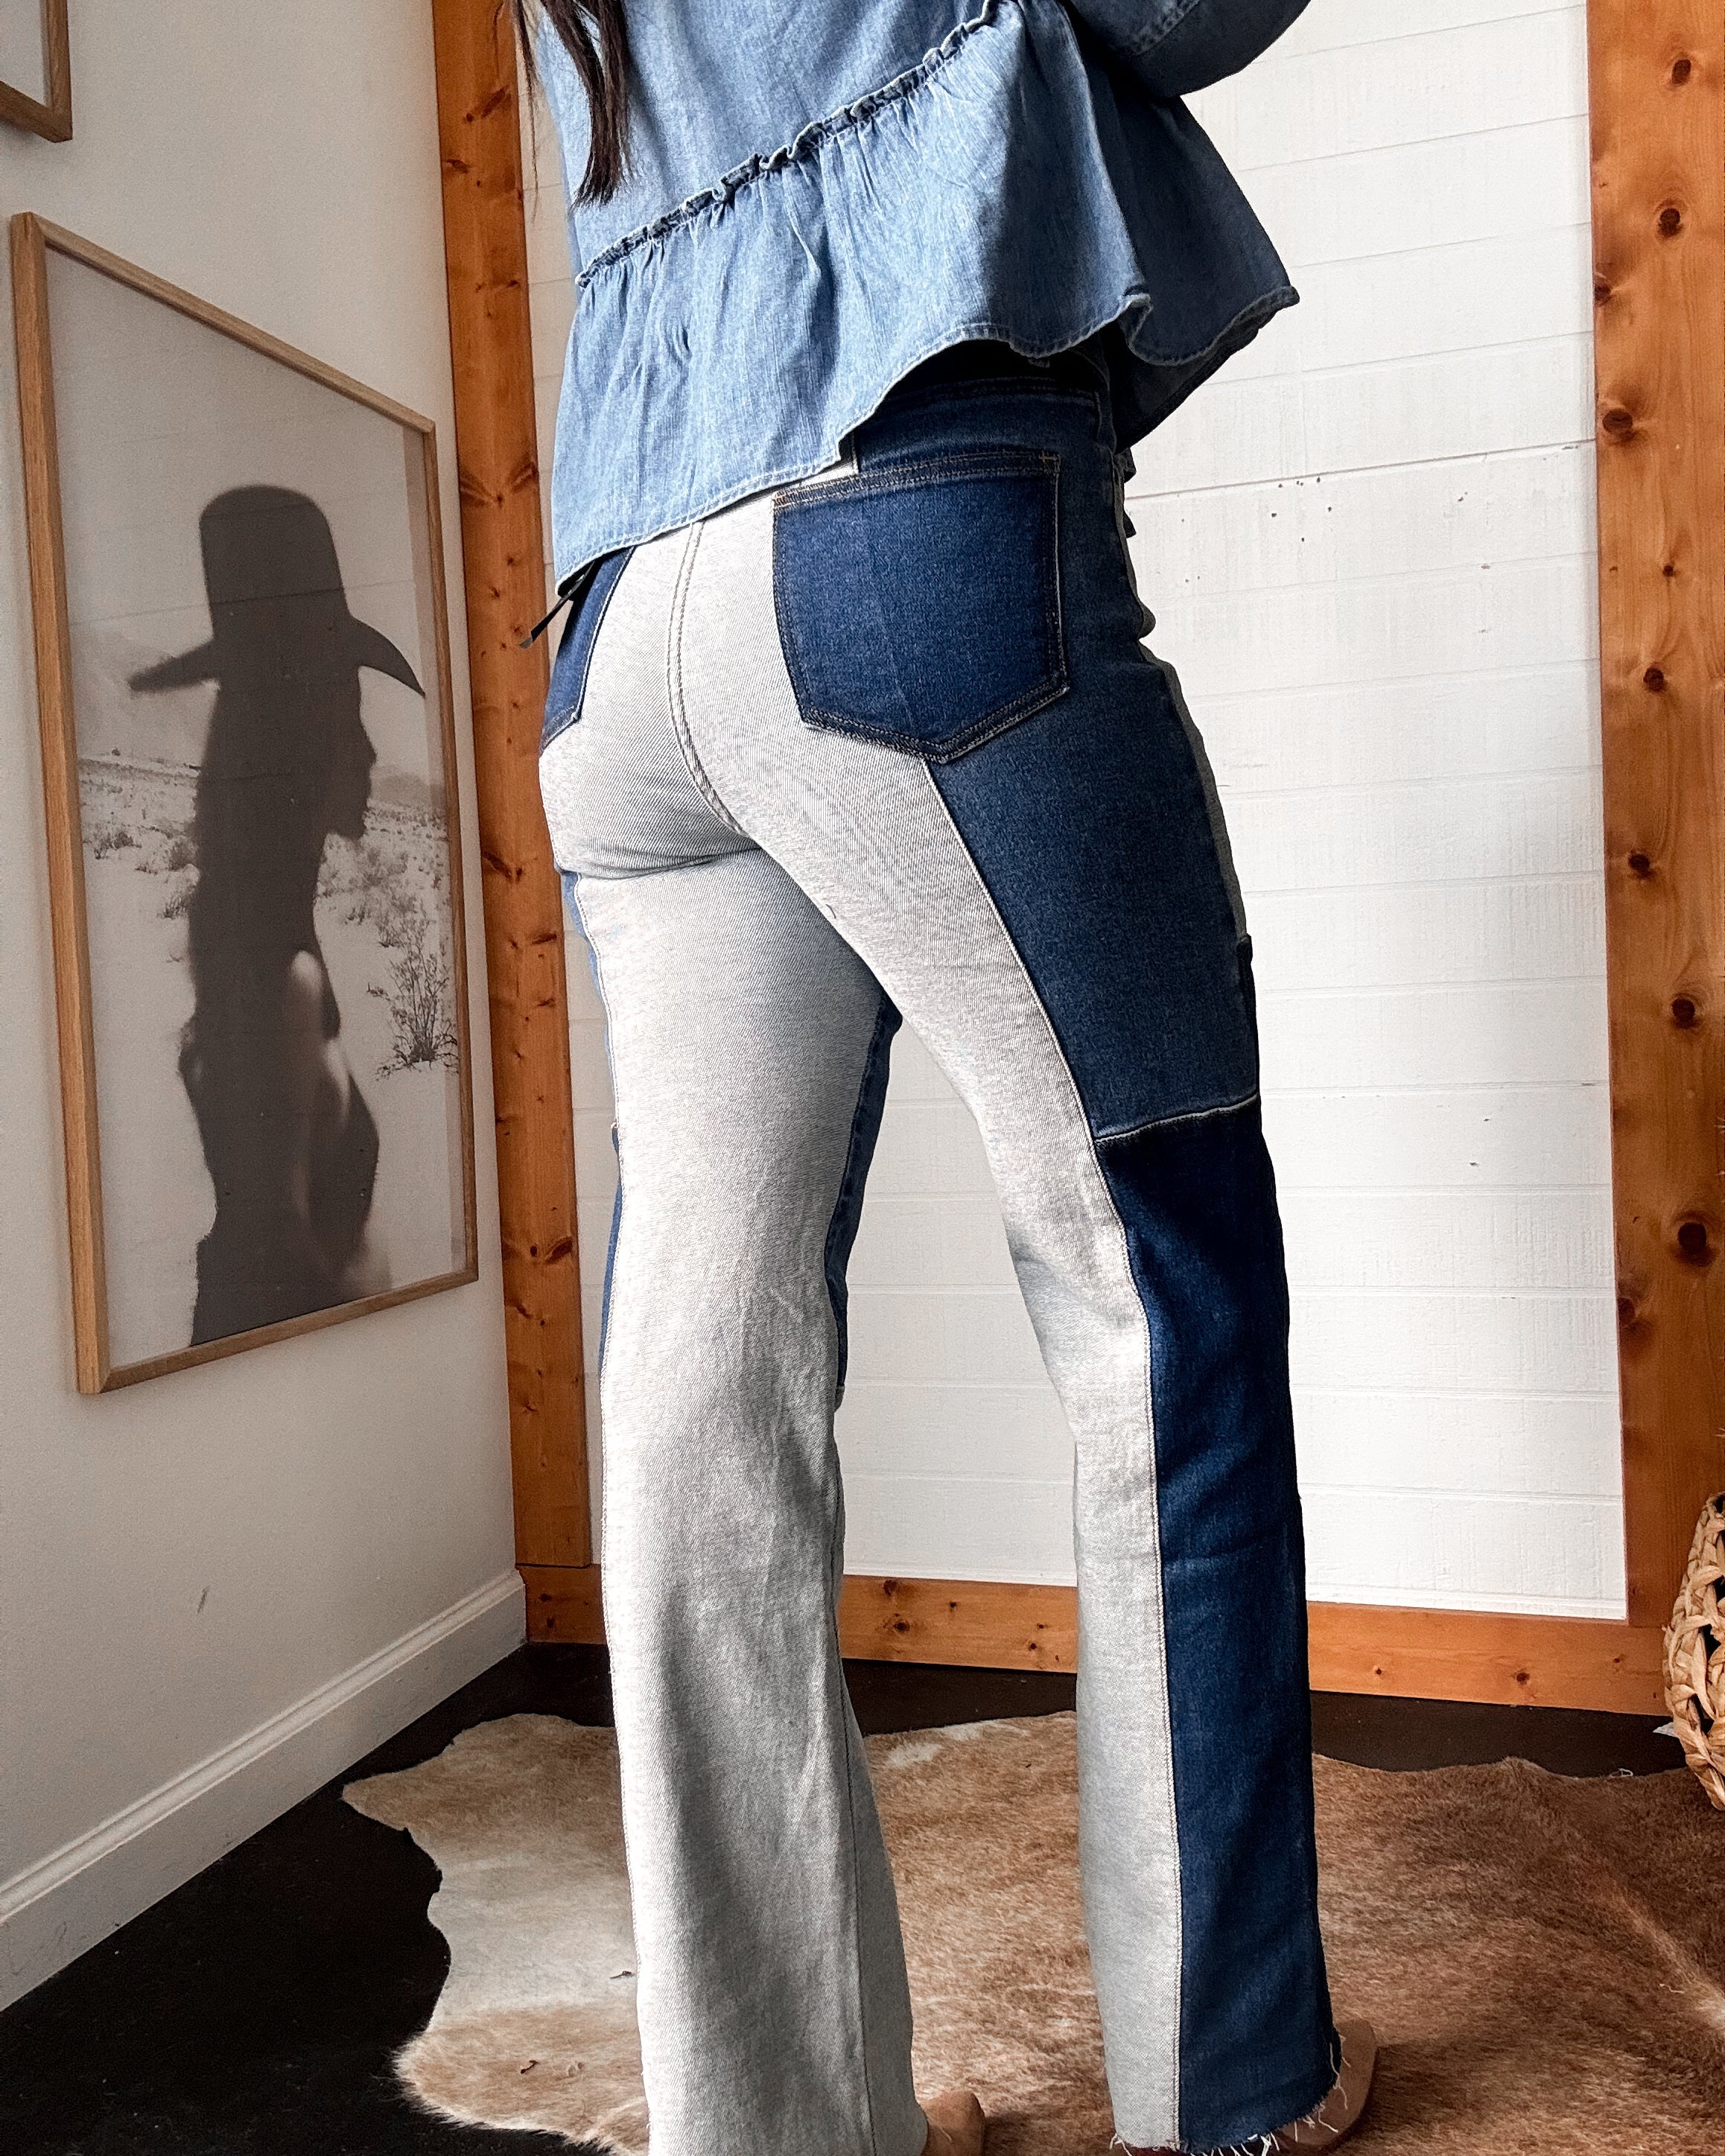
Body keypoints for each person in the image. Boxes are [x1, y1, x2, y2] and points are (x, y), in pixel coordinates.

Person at [519, 3, 1377, 2152]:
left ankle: (770, 2115)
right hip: (914, 529)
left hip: (622, 628)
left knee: (692, 1374)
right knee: (1153, 1287)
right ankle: (1236, 2085)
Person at [132, 486, 415, 1345]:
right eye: (346, 709)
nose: (367, 749)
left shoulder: (269, 952)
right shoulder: (280, 983)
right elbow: (270, 1278)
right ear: (296, 733)